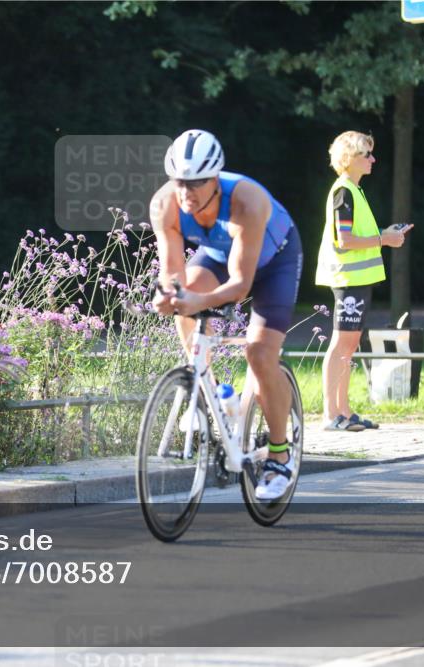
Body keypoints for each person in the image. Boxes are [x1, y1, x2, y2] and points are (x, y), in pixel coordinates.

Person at [150, 129, 303, 501]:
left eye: (196, 183)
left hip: (275, 261)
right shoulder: (164, 204)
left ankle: (280, 455)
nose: (186, 192)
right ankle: (209, 392)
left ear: (216, 179)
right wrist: (169, 294)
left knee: (260, 354)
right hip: (220, 256)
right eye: (179, 182)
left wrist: (196, 301)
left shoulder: (247, 201)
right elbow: (173, 273)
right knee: (183, 297)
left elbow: (240, 285)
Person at [315, 131, 412, 432]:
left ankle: (344, 411)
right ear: (349, 158)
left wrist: (384, 234)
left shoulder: (353, 190)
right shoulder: (344, 192)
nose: (373, 159)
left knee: (349, 346)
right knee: (341, 345)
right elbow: (344, 240)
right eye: (366, 154)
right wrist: (384, 239)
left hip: (356, 280)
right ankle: (331, 415)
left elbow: (356, 236)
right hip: (348, 279)